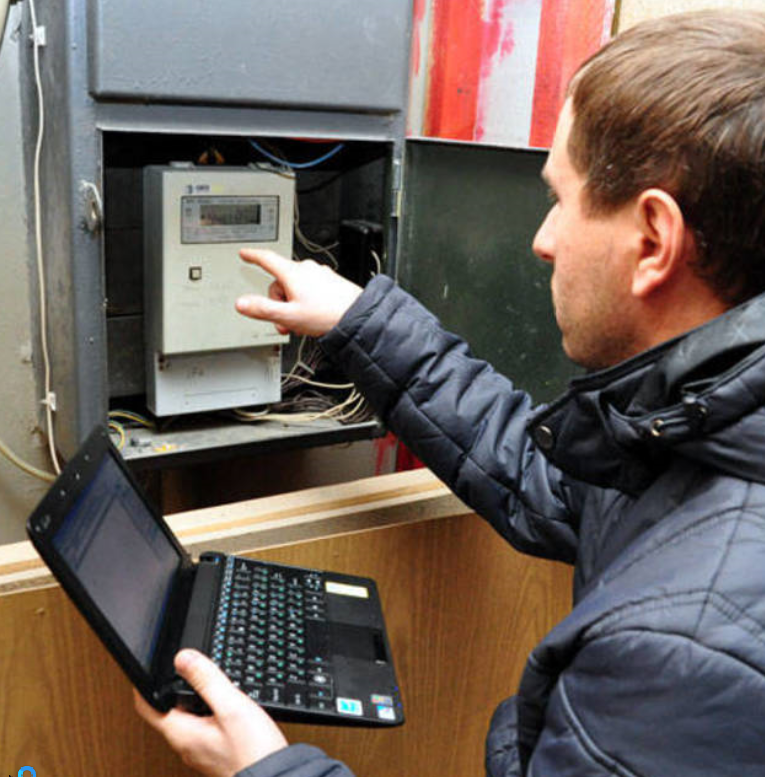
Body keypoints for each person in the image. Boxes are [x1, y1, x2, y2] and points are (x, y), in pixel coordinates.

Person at [136, 9, 765, 776]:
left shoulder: (686, 651)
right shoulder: (703, 426)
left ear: (652, 240)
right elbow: (545, 480)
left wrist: (268, 767)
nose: (542, 240)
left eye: (560, 199)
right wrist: (362, 321)